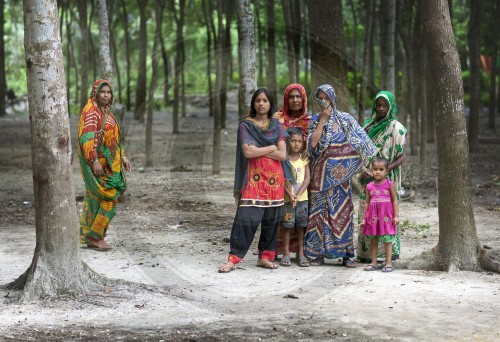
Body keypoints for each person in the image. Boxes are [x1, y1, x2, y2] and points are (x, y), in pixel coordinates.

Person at [218, 88, 295, 273]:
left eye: (265, 100)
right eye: (258, 100)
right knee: (245, 220)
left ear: (270, 104)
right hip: (253, 181)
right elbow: (248, 152)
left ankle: (265, 257)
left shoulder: (278, 127)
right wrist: (271, 147)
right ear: (253, 103)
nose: (261, 103)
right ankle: (233, 259)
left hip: (275, 182)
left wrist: (260, 148)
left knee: (271, 221)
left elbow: (283, 155)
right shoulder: (246, 125)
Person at [304, 84, 375, 267]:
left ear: (333, 99)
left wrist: (362, 165)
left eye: (326, 98)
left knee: (342, 214)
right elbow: (312, 146)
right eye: (320, 98)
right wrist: (322, 121)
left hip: (341, 179)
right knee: (318, 214)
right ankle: (317, 253)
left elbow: (361, 143)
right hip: (319, 177)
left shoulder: (346, 119)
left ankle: (346, 254)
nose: (323, 101)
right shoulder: (314, 120)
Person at [78, 79, 131, 251]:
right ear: (95, 93)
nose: (106, 95)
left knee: (96, 199)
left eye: (108, 92)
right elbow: (86, 138)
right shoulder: (91, 112)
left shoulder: (105, 111)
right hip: (98, 163)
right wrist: (93, 161)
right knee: (109, 197)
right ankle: (95, 237)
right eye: (103, 92)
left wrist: (122, 157)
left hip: (109, 163)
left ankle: (91, 235)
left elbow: (113, 139)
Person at [357, 91, 407, 262]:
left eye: (384, 105)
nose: (380, 108)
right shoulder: (367, 126)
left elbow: (403, 155)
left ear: (391, 106)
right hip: (368, 179)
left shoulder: (396, 128)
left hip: (387, 179)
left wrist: (384, 171)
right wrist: (362, 168)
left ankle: (387, 255)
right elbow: (359, 152)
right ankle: (366, 254)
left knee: (387, 213)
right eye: (378, 105)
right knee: (367, 212)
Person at [273, 83, 310, 258]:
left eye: (298, 97)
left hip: (302, 173)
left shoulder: (310, 122)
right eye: (291, 97)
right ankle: (280, 251)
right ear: (286, 99)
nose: (295, 100)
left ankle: (300, 252)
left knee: (301, 219)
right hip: (278, 171)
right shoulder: (277, 119)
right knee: (283, 217)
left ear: (303, 99)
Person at [360, 157, 399, 272]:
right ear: (371, 170)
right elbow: (367, 202)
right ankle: (373, 262)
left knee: (387, 239)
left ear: (386, 171)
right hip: (373, 218)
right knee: (373, 239)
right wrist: (364, 218)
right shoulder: (369, 186)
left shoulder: (390, 184)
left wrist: (396, 216)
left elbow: (394, 200)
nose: (377, 172)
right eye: (375, 169)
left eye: (381, 169)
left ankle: (388, 263)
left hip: (386, 217)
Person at [280, 127, 310, 267]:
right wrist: (290, 194)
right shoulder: (283, 159)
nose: (297, 144)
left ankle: (301, 254)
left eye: (299, 141)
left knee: (301, 226)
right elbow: (281, 179)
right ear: (287, 141)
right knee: (287, 226)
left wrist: (298, 195)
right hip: (287, 200)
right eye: (293, 141)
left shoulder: (304, 159)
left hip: (302, 200)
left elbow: (307, 178)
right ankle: (286, 253)